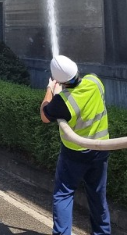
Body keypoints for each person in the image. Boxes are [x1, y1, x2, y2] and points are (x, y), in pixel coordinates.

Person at [40, 54, 111, 235]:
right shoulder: (95, 81)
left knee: (63, 195)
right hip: (101, 150)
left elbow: (44, 115)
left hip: (75, 154)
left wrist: (50, 89)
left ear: (58, 79)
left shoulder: (61, 102)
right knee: (97, 196)